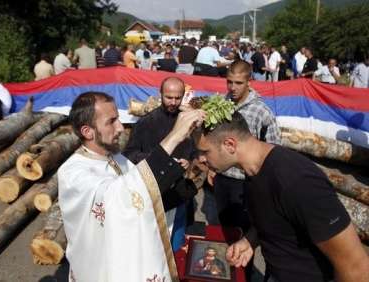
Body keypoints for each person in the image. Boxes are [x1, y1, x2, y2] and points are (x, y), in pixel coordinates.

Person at [194, 111, 369, 282]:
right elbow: (277, 216)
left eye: (205, 151)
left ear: (230, 145)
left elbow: (356, 267)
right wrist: (250, 240)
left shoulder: (296, 180)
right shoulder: (252, 169)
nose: (200, 159)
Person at [58, 91, 205, 282]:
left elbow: (141, 196)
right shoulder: (72, 174)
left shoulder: (117, 158)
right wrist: (175, 136)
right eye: (111, 122)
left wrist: (189, 178)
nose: (120, 128)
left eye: (118, 119)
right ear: (88, 131)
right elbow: (119, 198)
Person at [213, 60, 281, 281]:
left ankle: (244, 276)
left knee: (245, 237)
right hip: (222, 181)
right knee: (225, 231)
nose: (232, 88)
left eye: (238, 83)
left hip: (245, 184)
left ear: (249, 82)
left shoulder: (262, 112)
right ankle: (227, 273)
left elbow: (273, 152)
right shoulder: (222, 103)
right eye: (229, 82)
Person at [123, 77, 198, 252]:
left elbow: (197, 152)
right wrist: (155, 159)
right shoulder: (146, 122)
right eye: (168, 97)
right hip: (152, 194)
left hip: (179, 194)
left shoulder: (190, 123)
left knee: (175, 246)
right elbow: (129, 153)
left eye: (177, 98)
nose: (173, 102)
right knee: (151, 246)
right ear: (160, 94)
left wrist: (190, 161)